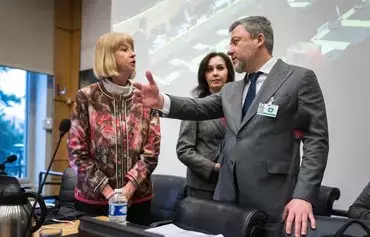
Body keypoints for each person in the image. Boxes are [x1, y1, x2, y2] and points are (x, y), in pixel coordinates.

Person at [132, 16, 329, 237]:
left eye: (235, 41)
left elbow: (316, 141)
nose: (230, 49)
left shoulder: (299, 79)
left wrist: (302, 196)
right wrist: (162, 102)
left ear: (259, 39)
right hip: (226, 201)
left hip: (273, 202)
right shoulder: (231, 90)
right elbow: (197, 107)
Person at [67, 32, 161, 226]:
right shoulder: (86, 96)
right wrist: (108, 192)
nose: (133, 54)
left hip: (137, 201)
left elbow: (152, 150)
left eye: (133, 49)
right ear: (108, 56)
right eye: (124, 49)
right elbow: (76, 152)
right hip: (93, 201)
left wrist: (129, 188)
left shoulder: (144, 96)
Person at [176, 52, 235, 200]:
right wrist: (213, 167)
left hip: (233, 186)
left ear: (229, 73)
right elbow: (184, 150)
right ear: (204, 76)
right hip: (202, 187)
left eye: (220, 68)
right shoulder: (194, 107)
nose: (215, 73)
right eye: (209, 70)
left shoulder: (239, 107)